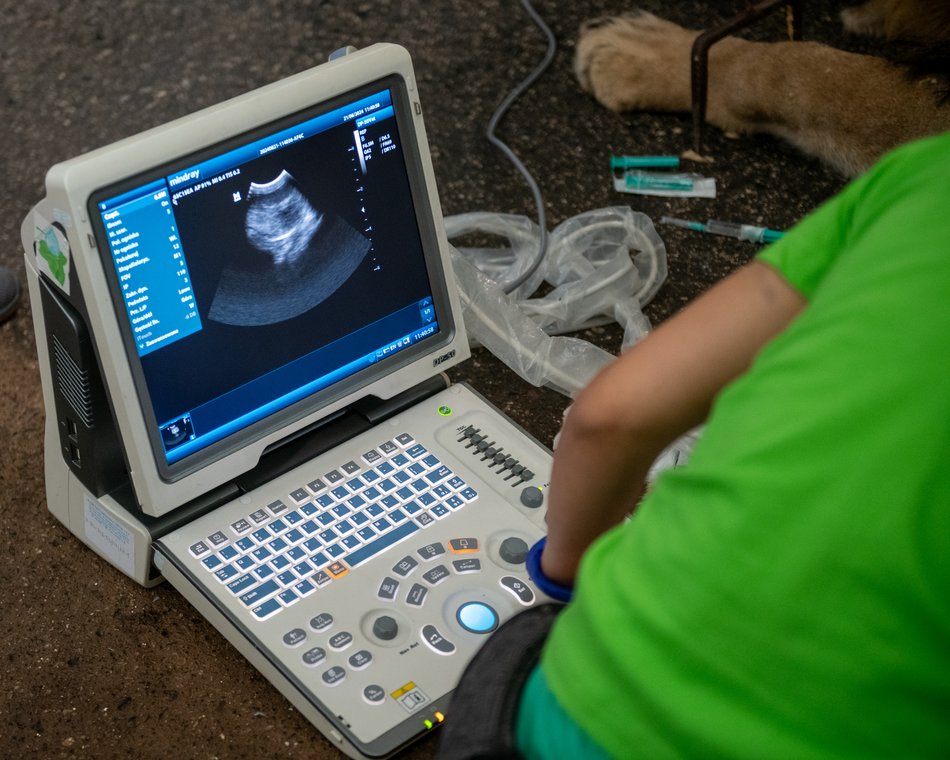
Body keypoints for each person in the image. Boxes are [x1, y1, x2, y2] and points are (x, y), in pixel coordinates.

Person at [441, 131, 950, 759]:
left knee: (516, 655)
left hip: (572, 727)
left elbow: (610, 417)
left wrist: (564, 571)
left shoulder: (927, 180)